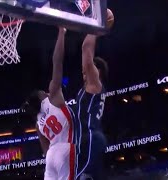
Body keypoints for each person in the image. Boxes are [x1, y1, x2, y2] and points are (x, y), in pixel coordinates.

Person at [23, 27, 76, 180]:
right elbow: (57, 61)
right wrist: (61, 33)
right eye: (42, 91)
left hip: (51, 156)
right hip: (65, 148)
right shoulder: (53, 95)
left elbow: (45, 151)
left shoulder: (37, 123)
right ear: (42, 96)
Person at [73, 33, 109, 180]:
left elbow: (86, 49)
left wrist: (93, 27)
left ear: (97, 71)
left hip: (91, 137)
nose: (84, 71)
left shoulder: (95, 83)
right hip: (88, 139)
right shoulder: (89, 88)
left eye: (88, 69)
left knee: (82, 177)